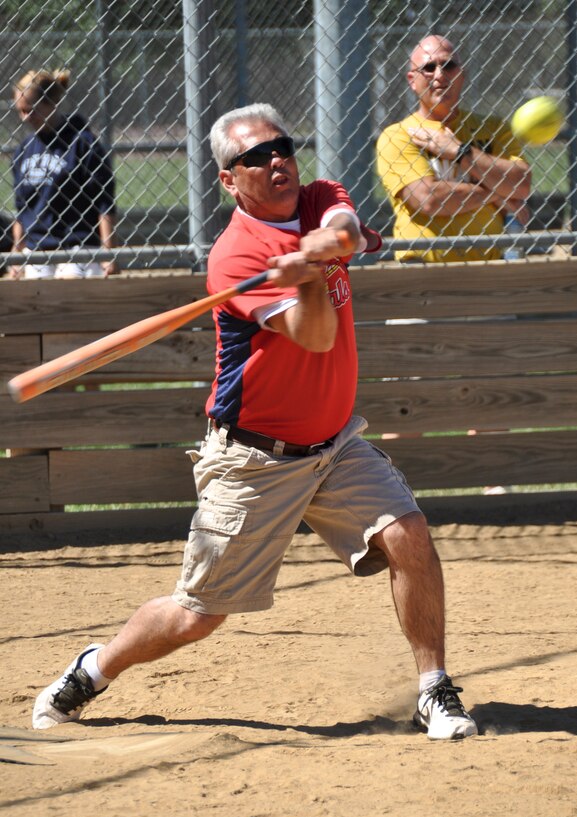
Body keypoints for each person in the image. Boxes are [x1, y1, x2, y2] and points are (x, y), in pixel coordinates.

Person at [32, 103, 477, 742]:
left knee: (408, 532)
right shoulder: (236, 258)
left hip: (334, 444)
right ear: (228, 180)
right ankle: (93, 669)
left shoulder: (318, 193)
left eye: (282, 148)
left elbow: (343, 219)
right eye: (254, 158)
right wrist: (311, 280)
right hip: (254, 460)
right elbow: (317, 336)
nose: (275, 162)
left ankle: (433, 689)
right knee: (197, 616)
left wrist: (334, 240)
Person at [376, 34, 532, 262]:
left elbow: (521, 183)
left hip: (489, 268)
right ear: (412, 80)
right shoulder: (398, 135)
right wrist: (498, 192)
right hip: (424, 273)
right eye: (429, 68)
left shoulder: (494, 128)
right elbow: (428, 199)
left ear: (461, 73)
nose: (439, 75)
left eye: (448, 65)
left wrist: (461, 152)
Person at [8, 69, 119, 279]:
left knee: (70, 283)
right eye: (20, 111)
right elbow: (22, 209)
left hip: (78, 244)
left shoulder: (82, 143)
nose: (25, 118)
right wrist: (17, 253)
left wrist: (108, 253)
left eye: (31, 110)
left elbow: (104, 202)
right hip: (38, 247)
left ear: (52, 104)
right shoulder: (24, 150)